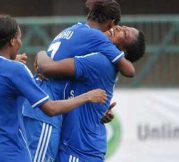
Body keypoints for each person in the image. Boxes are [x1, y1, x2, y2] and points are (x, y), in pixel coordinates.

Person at [0, 15, 108, 162]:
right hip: (11, 153)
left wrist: (10, 61)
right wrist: (87, 97)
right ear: (12, 41)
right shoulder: (16, 70)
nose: (20, 42)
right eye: (19, 38)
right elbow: (50, 109)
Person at [22, 0, 133, 161]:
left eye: (124, 32)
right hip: (45, 105)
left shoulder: (74, 29)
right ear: (111, 23)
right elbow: (129, 70)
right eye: (118, 27)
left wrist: (40, 54)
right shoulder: (96, 38)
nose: (116, 30)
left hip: (40, 102)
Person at [36, 25, 146, 162]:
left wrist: (41, 54)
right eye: (123, 26)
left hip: (78, 151)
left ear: (123, 52)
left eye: (124, 34)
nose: (118, 28)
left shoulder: (100, 62)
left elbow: (47, 68)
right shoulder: (106, 61)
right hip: (83, 149)